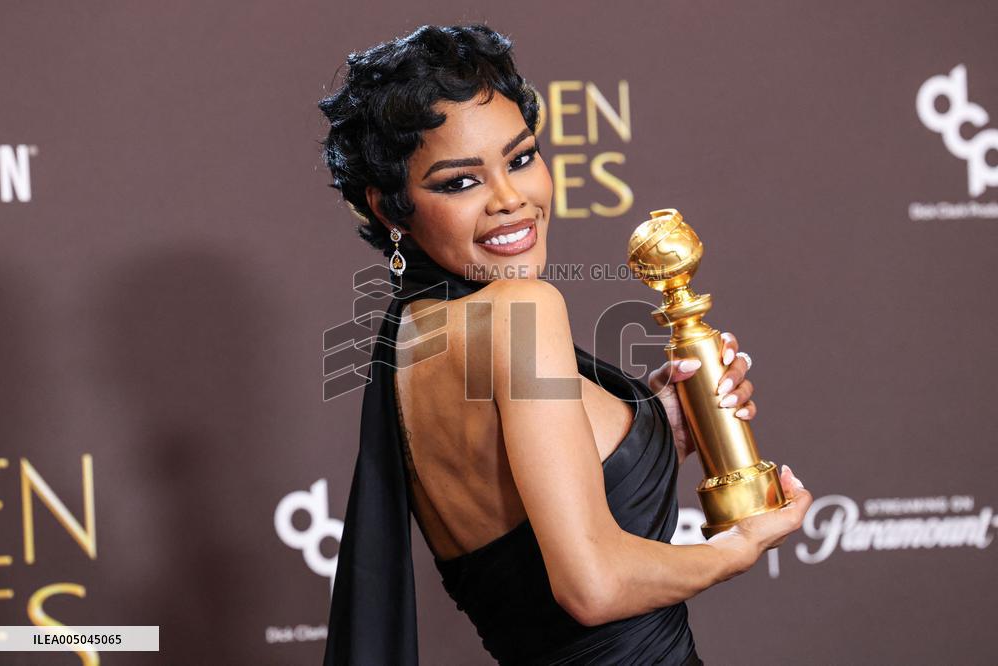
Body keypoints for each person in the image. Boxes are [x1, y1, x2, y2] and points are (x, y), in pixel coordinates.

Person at [317, 23, 812, 666]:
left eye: (521, 158)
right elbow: (593, 587)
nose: (511, 200)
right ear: (391, 209)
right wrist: (736, 548)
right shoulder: (522, 310)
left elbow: (522, 514)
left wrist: (656, 429)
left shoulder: (408, 338)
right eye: (460, 182)